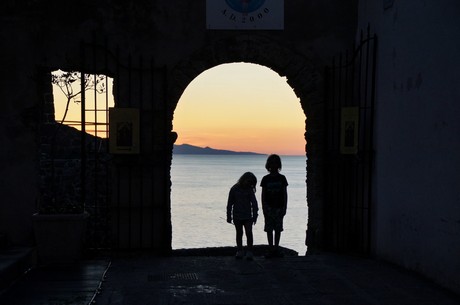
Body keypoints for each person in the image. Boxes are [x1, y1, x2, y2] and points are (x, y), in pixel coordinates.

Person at [260, 154, 288, 258]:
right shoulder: (265, 179)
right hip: (268, 207)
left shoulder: (282, 178)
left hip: (279, 207)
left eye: (276, 163)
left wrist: (285, 207)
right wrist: (264, 207)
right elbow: (263, 195)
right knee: (269, 229)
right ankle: (271, 248)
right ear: (268, 165)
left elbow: (285, 194)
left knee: (278, 229)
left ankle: (276, 248)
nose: (274, 165)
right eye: (272, 163)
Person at [226, 172, 259, 260]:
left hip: (248, 216)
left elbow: (254, 203)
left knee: (249, 233)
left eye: (251, 183)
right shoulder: (234, 189)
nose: (249, 184)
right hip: (237, 215)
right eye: (248, 182)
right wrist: (229, 216)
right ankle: (240, 250)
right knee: (239, 233)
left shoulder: (249, 190)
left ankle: (249, 251)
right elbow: (229, 203)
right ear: (243, 179)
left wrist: (255, 215)